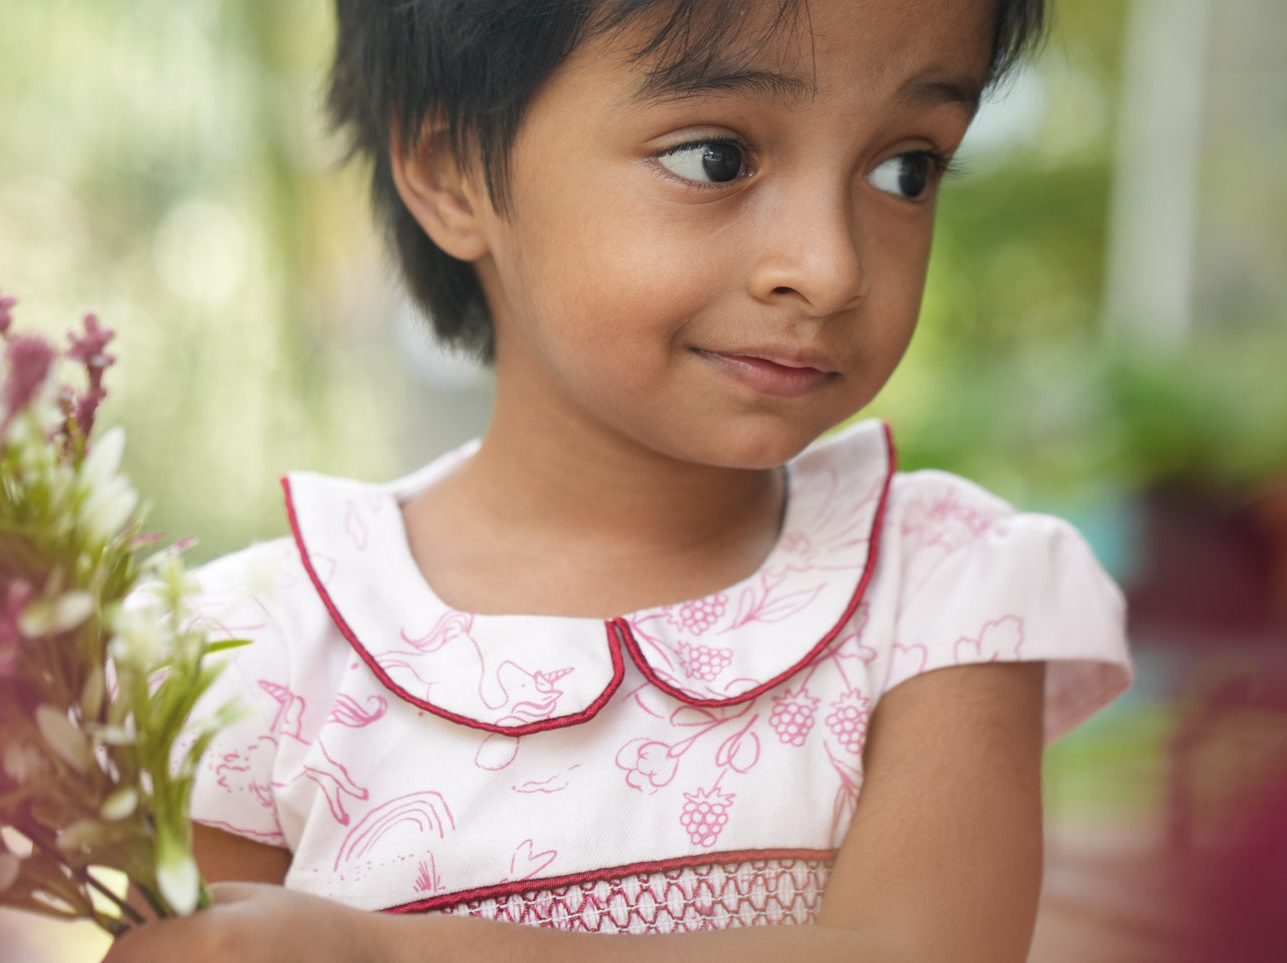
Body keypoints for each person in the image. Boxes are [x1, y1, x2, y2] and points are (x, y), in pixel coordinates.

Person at [104, 0, 1132, 960]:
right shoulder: (239, 659)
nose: (828, 267)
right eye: (715, 157)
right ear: (451, 169)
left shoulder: (944, 594)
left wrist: (381, 948)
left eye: (904, 169)